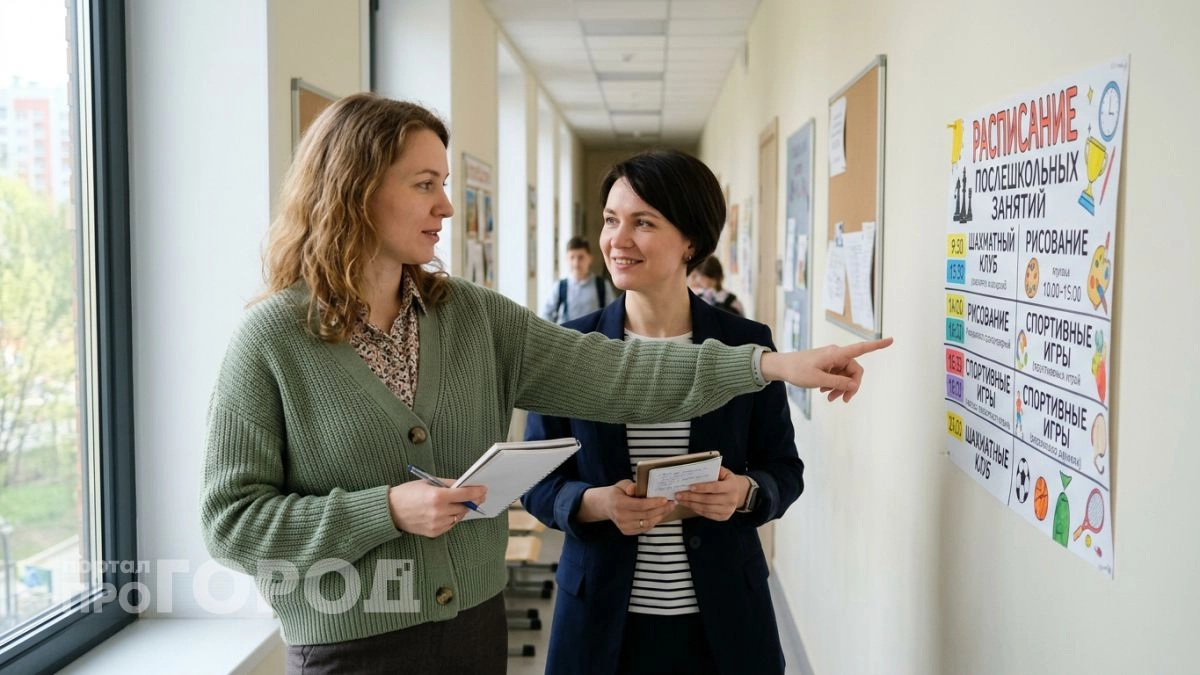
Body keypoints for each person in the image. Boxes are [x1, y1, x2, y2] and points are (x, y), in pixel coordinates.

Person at [199, 93, 891, 675]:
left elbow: (619, 373)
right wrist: (386, 511)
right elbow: (231, 523)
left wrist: (766, 366)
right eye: (425, 184)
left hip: (475, 631)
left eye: (445, 182)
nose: (448, 205)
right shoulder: (270, 341)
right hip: (348, 645)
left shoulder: (473, 317)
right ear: (355, 189)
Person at [522, 149, 800, 674]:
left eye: (643, 223)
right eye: (611, 220)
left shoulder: (744, 344)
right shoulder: (569, 347)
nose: (617, 240)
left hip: (724, 622)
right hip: (602, 622)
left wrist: (745, 492)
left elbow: (784, 469)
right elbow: (536, 482)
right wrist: (595, 502)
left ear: (690, 241)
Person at [540, 235, 617, 324]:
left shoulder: (602, 285)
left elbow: (613, 314)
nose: (576, 263)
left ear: (590, 258)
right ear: (566, 259)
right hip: (566, 332)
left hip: (594, 332)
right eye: (572, 257)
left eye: (581, 257)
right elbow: (545, 314)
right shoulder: (560, 287)